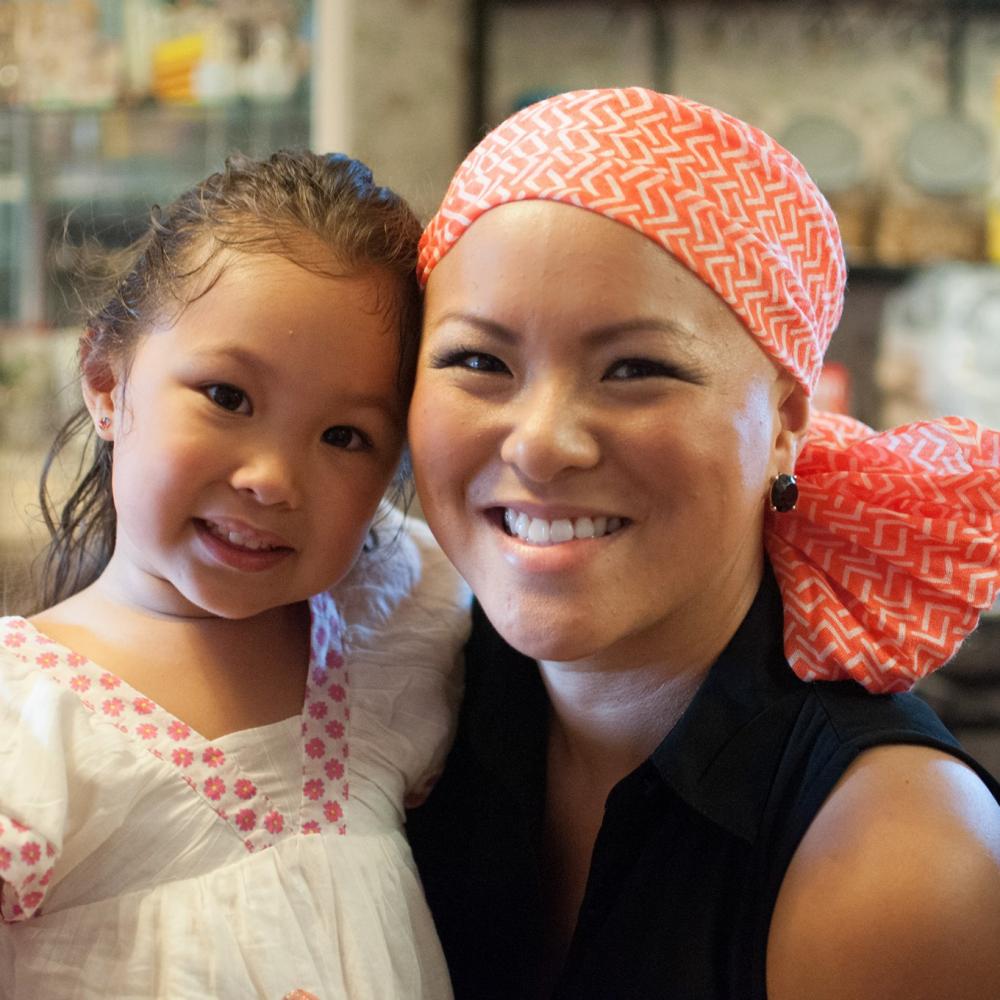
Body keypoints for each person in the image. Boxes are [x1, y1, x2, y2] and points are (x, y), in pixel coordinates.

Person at [404, 88, 1000, 1000]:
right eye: (479, 362)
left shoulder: (898, 861)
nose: (539, 442)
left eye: (636, 369)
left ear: (788, 423)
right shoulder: (393, 703)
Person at [0, 150, 470, 999]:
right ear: (107, 380)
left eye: (344, 438)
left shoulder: (395, 618)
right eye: (226, 396)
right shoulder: (23, 719)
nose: (272, 479)